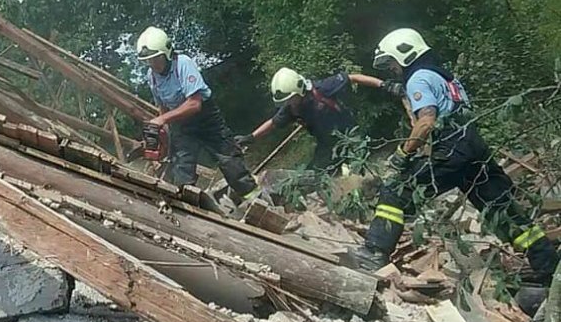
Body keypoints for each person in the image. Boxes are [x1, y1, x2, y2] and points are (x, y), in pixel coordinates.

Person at [350, 28, 558, 315]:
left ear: (404, 54)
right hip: (475, 147)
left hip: (452, 150)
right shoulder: (446, 78)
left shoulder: (418, 78)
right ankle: (548, 267)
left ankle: (374, 252)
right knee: (502, 209)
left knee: (396, 190)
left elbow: (426, 121)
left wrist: (403, 154)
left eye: (392, 63)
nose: (393, 70)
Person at [136, 26, 257, 201]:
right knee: (181, 169)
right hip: (180, 125)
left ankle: (255, 199)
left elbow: (194, 104)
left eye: (156, 58)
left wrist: (161, 119)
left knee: (229, 160)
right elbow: (162, 107)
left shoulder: (183, 64)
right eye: (148, 60)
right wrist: (164, 135)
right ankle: (187, 205)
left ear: (166, 53)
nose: (153, 63)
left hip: (205, 120)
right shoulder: (152, 76)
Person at [238, 67, 400, 172]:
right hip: (326, 144)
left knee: (359, 169)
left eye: (290, 99)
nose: (288, 103)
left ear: (299, 90)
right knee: (314, 175)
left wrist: (384, 85)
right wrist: (251, 137)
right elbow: (273, 123)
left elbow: (353, 78)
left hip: (350, 136)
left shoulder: (322, 88)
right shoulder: (292, 109)